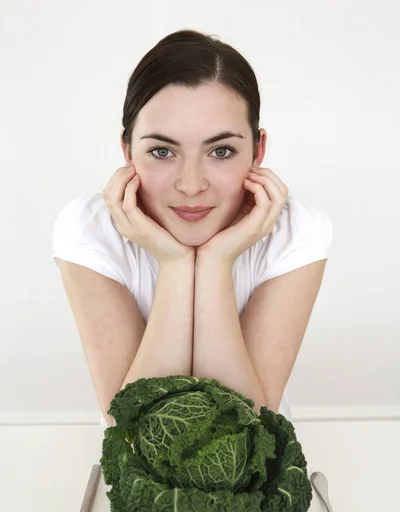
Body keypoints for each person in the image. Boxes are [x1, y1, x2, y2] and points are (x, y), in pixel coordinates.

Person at [52, 29, 333, 428]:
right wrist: (176, 265)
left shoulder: (296, 231)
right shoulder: (89, 230)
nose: (191, 185)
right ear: (127, 151)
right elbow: (133, 431)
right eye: (162, 151)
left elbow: (245, 430)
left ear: (259, 150)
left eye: (221, 151)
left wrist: (217, 261)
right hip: (138, 482)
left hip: (260, 479)